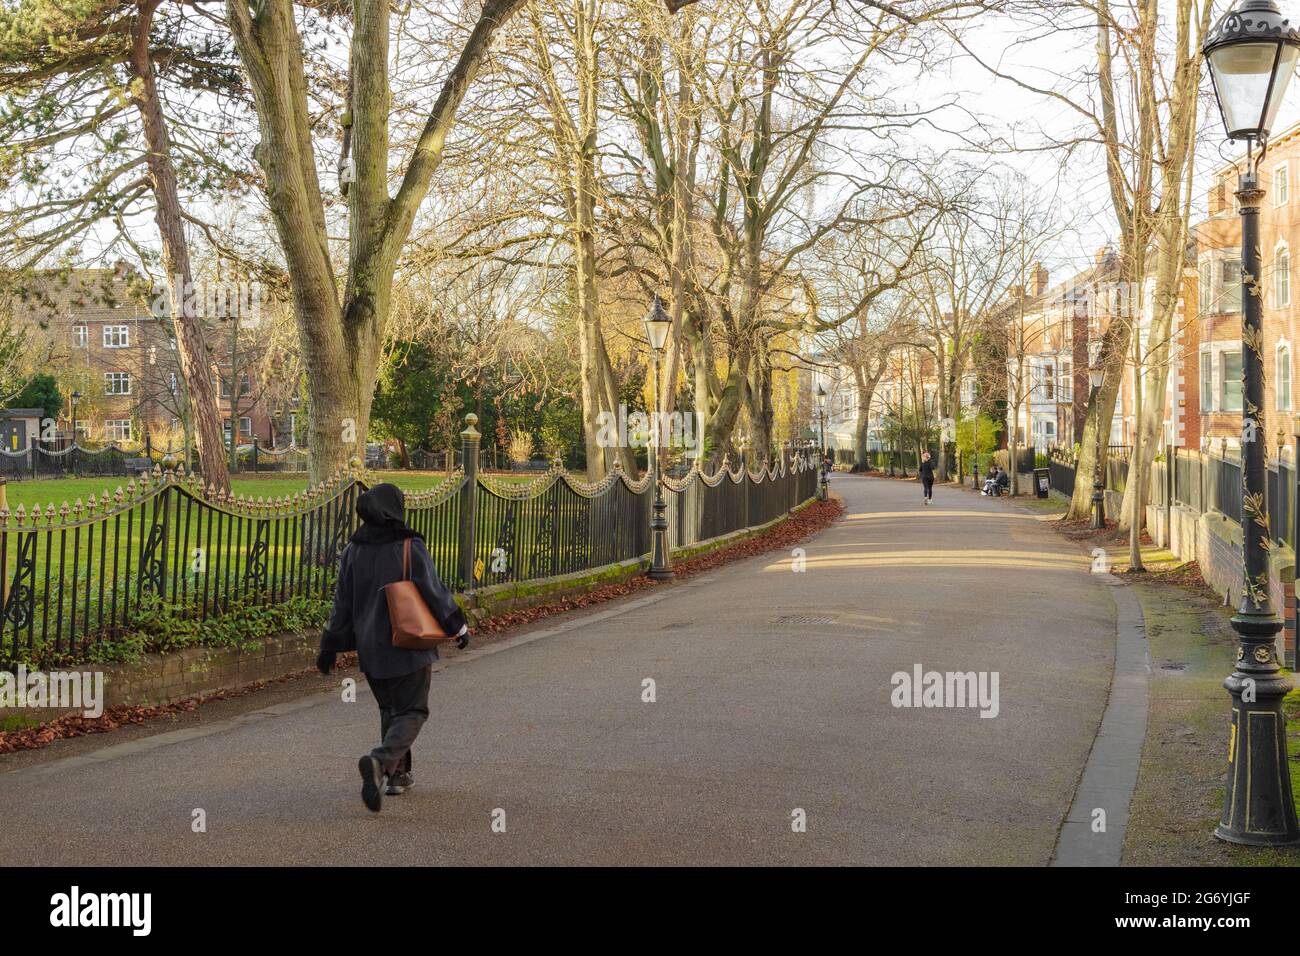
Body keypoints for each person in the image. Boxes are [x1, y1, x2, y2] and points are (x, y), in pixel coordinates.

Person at [317, 483, 469, 813]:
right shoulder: (408, 545)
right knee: (413, 710)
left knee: (390, 709)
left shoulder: (352, 551)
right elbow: (432, 589)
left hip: (371, 648)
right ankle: (380, 762)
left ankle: (398, 776)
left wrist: (330, 645)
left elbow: (342, 604)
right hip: (407, 642)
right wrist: (458, 625)